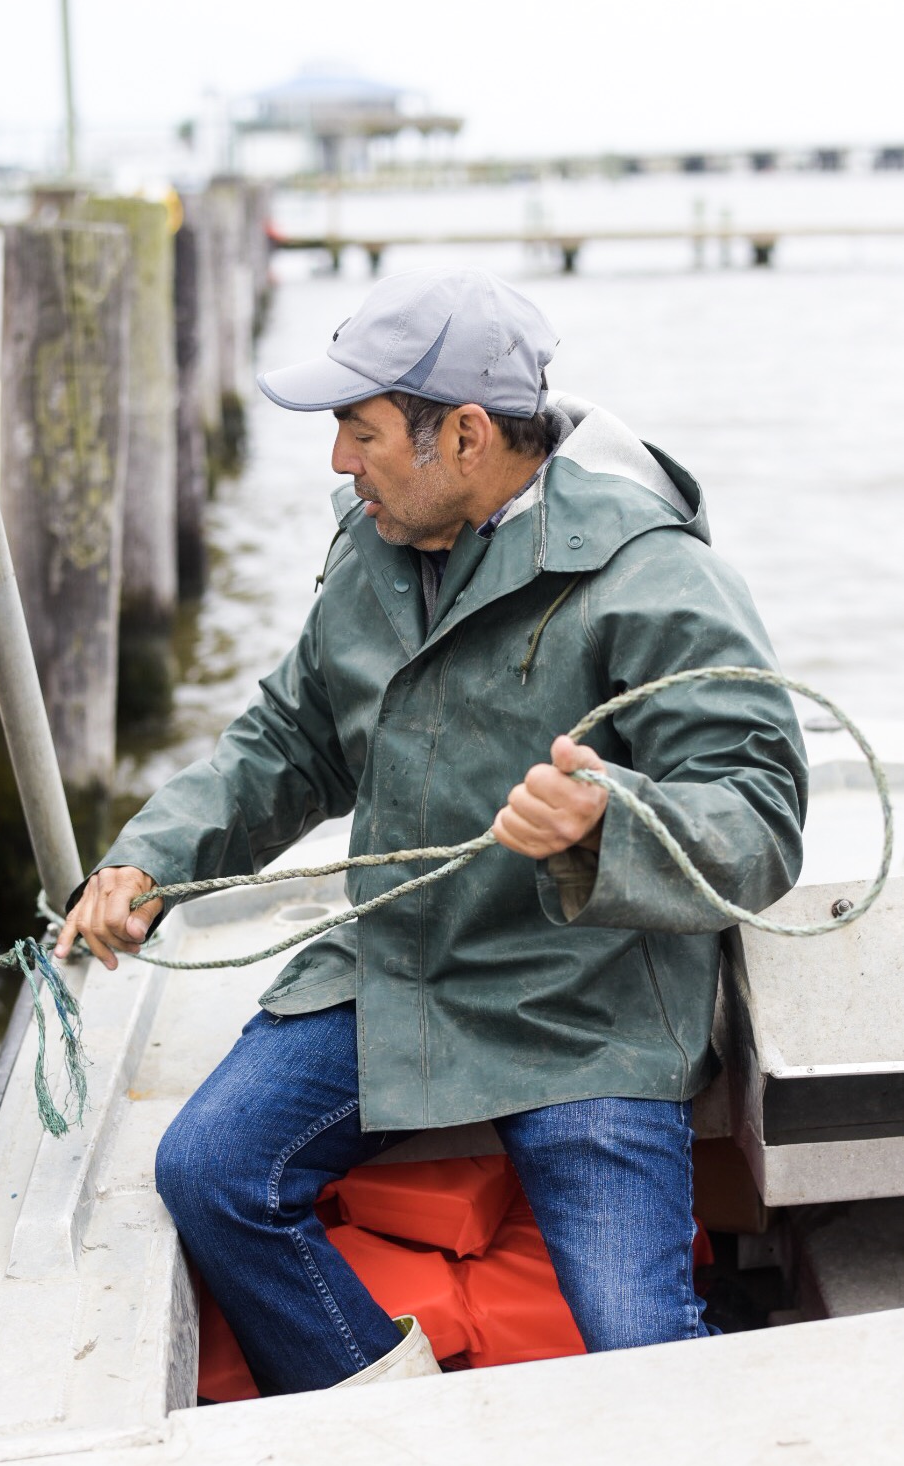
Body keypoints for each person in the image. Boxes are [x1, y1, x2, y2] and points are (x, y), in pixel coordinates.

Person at [55, 265, 807, 1393]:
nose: (337, 462)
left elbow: (758, 811)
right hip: (398, 971)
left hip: (585, 1008)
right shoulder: (369, 546)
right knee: (212, 1173)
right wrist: (149, 859)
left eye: (359, 431)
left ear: (462, 433)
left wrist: (608, 825)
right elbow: (284, 745)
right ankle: (394, 1418)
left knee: (643, 1354)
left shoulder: (656, 573)